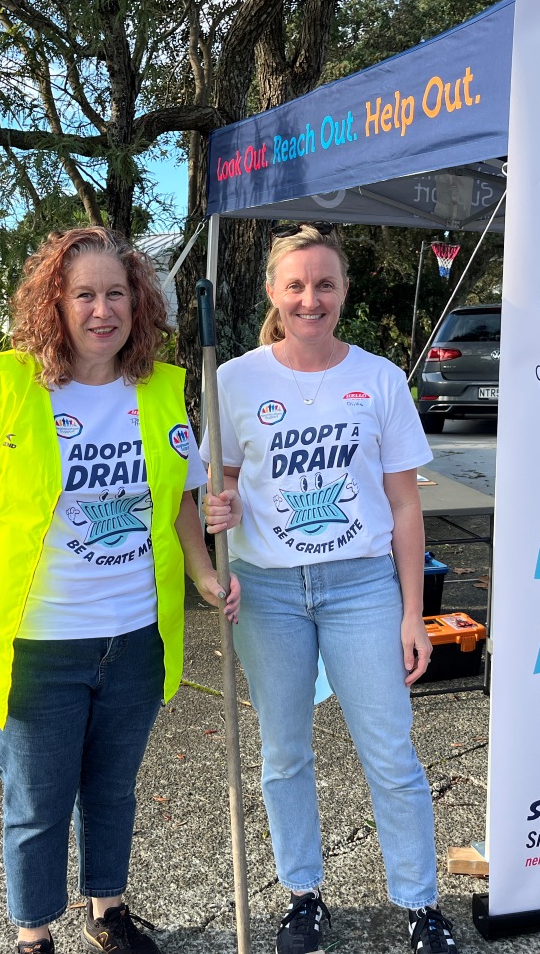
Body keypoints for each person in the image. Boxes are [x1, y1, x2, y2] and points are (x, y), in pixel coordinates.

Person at [0, 226, 238, 954]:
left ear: (138, 303)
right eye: (84, 295)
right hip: (38, 644)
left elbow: (182, 504)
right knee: (37, 803)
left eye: (116, 294)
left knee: (111, 789)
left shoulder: (161, 390)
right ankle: (34, 934)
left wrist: (203, 574)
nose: (103, 310)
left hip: (135, 637)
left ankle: (108, 909)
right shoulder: (3, 385)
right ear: (55, 304)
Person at [201, 222, 457, 954]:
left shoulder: (378, 378)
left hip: (362, 587)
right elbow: (219, 485)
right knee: (284, 751)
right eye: (296, 285)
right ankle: (303, 896)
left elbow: (406, 504)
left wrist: (414, 611)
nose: (310, 298)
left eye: (324, 284)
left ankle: (419, 901)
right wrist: (220, 508)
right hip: (268, 592)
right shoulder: (235, 379)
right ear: (274, 294)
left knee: (391, 751)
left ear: (344, 291)